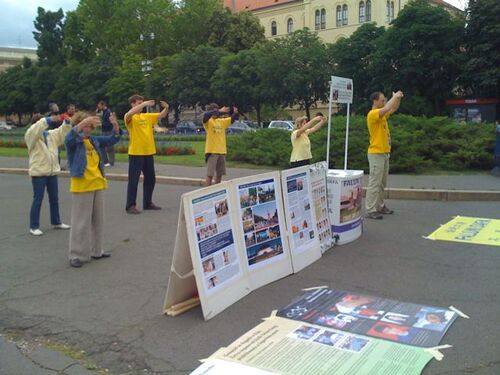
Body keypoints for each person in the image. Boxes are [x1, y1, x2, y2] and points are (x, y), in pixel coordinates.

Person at [65, 112, 122, 268]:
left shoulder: (94, 141)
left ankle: (97, 250)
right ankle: (76, 254)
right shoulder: (75, 142)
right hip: (82, 185)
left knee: (98, 220)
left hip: (98, 184)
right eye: (85, 127)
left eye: (90, 127)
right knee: (80, 222)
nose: (88, 130)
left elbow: (113, 139)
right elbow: (68, 138)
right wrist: (82, 123)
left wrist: (115, 124)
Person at [24, 114, 72, 236]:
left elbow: (61, 133)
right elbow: (36, 128)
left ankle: (56, 222)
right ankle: (34, 226)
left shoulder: (50, 135)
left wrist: (66, 123)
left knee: (54, 199)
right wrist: (47, 120)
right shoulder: (30, 135)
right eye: (41, 123)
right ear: (36, 124)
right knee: (38, 199)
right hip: (39, 173)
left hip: (52, 172)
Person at [124, 95, 169, 214]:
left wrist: (167, 107)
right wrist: (144, 104)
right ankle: (130, 205)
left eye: (142, 103)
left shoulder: (146, 116)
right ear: (132, 104)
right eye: (138, 103)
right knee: (133, 180)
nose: (141, 105)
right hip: (136, 153)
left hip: (148, 152)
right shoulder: (130, 117)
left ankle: (147, 203)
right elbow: (129, 115)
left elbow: (161, 115)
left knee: (151, 179)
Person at [365, 91, 403, 220]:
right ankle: (371, 209)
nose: (384, 102)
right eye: (382, 100)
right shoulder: (373, 114)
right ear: (375, 101)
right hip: (376, 153)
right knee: (374, 183)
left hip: (384, 153)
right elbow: (387, 107)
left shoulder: (382, 116)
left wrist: (398, 99)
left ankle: (380, 206)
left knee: (382, 183)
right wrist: (394, 97)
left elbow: (393, 108)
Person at [202, 103, 239, 186]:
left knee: (219, 174)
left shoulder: (221, 122)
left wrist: (235, 113)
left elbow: (231, 120)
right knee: (210, 174)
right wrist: (218, 111)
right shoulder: (208, 122)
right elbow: (206, 115)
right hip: (212, 152)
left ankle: (216, 192)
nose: (217, 113)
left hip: (222, 151)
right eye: (214, 111)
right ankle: (207, 192)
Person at [96, 100, 115, 167]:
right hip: (104, 131)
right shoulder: (104, 112)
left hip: (108, 131)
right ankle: (105, 161)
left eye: (99, 106)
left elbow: (110, 123)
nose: (98, 107)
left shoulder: (108, 112)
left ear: (103, 105)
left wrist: (101, 124)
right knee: (101, 146)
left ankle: (111, 162)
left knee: (109, 146)